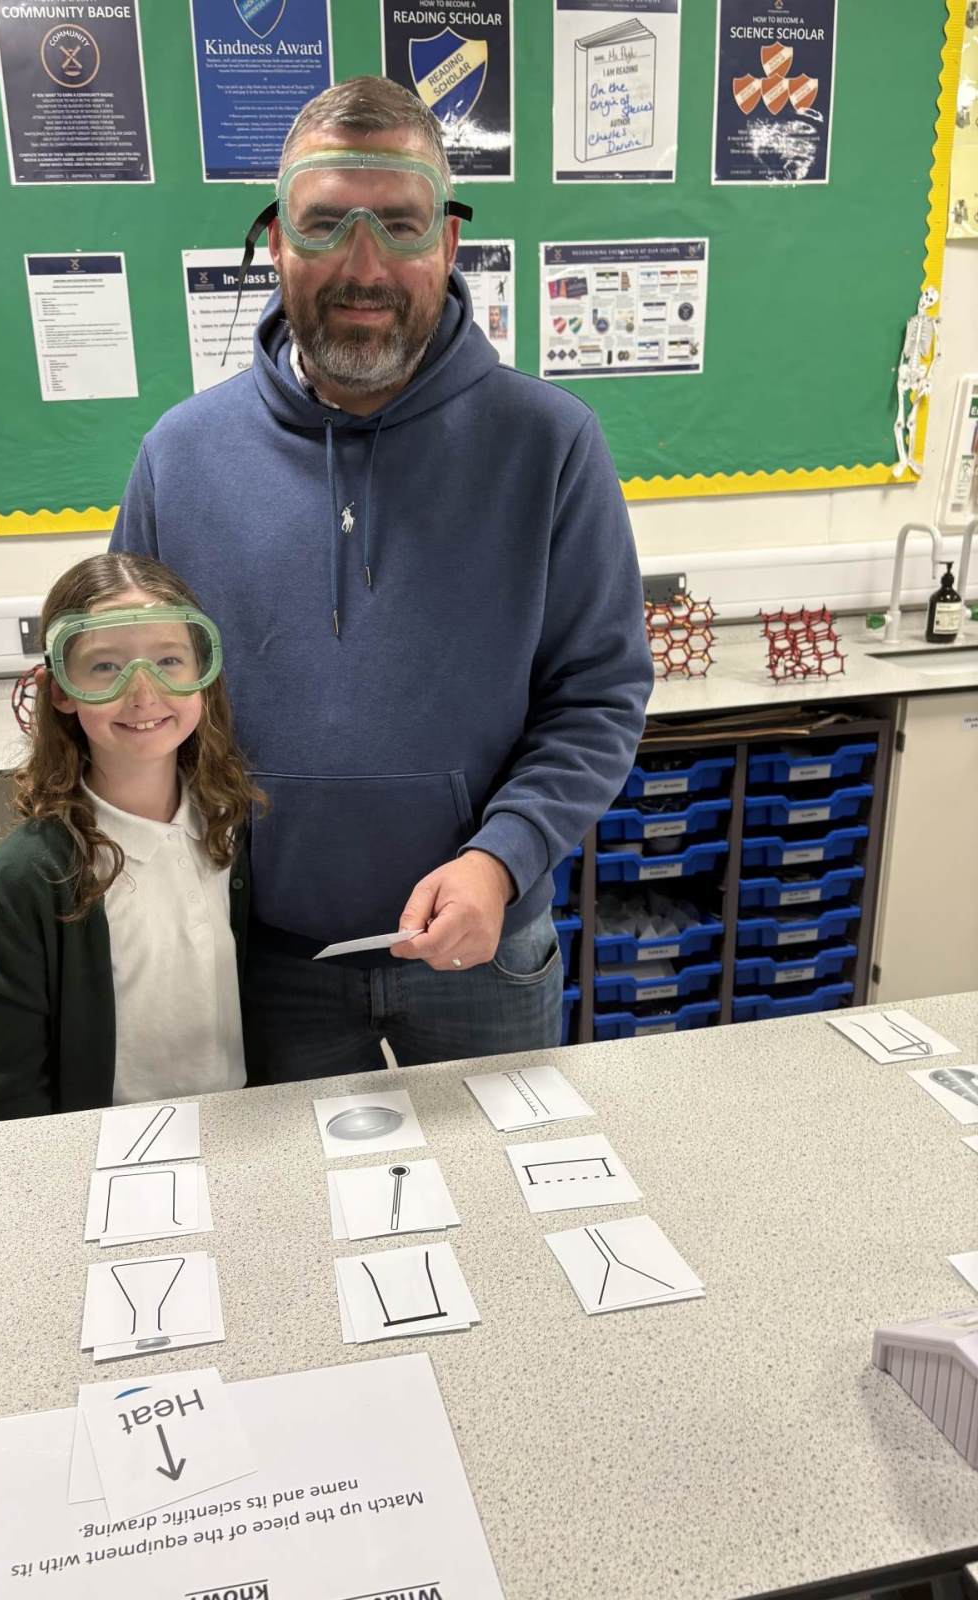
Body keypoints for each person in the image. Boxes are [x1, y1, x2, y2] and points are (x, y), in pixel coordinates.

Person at [112, 77, 653, 1082]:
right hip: (260, 958)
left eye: (399, 225)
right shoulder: (180, 460)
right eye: (325, 225)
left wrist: (501, 858)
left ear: (448, 243)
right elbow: (135, 704)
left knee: (502, 1180)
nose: (363, 266)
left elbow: (598, 697)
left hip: (483, 952)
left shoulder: (549, 446)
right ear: (276, 243)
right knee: (283, 1186)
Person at [0, 552, 259, 1120]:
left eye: (169, 660)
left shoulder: (231, 827)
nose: (143, 693)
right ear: (60, 690)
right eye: (105, 667)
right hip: (108, 1147)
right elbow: (7, 1085)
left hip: (237, 1124)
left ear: (203, 674)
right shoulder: (26, 878)